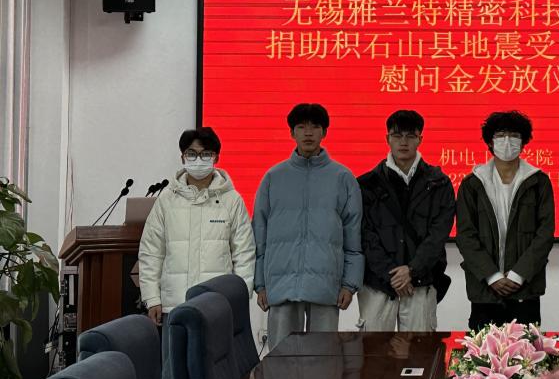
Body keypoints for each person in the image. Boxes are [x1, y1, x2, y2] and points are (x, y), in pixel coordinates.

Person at [253, 103, 363, 350]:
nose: (308, 133)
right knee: (281, 358)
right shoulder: (273, 177)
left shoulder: (343, 178)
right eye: (301, 127)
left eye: (315, 126)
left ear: (325, 132)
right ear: (292, 132)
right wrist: (260, 284)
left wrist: (349, 284)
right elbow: (259, 233)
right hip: (281, 284)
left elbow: (353, 235)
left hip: (326, 285)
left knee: (322, 359)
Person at [138, 127, 255, 325]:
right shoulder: (166, 200)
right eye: (191, 154)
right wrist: (152, 298)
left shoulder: (232, 200)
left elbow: (244, 254)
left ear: (216, 157)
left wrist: (239, 299)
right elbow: (151, 251)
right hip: (174, 305)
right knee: (174, 348)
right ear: (182, 158)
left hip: (218, 306)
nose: (198, 160)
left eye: (206, 154)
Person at [357, 110, 455, 331]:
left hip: (421, 283)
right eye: (397, 135)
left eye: (410, 136)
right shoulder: (367, 184)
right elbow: (365, 235)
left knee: (419, 350)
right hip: (378, 284)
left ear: (420, 139)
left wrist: (411, 271)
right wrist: (392, 275)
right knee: (374, 350)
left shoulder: (439, 183)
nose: (403, 142)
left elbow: (438, 235)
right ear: (387, 138)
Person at [455, 111, 555, 329]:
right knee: (482, 349)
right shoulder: (473, 183)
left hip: (525, 290)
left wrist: (518, 275)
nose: (507, 141)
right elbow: (466, 235)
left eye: (514, 135)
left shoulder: (538, 182)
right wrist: (492, 276)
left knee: (526, 349)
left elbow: (545, 234)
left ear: (524, 142)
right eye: (501, 135)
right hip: (485, 291)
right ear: (490, 142)